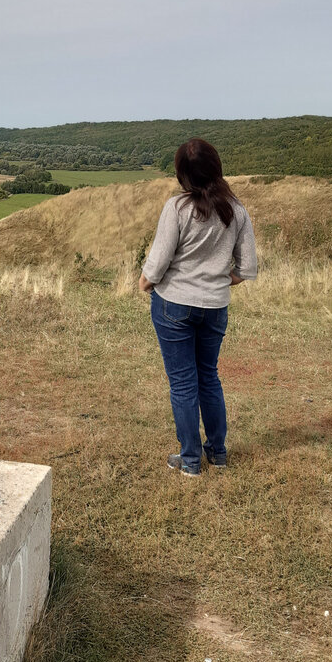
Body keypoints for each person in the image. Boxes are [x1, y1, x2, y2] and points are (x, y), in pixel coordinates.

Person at [138, 139, 257, 477]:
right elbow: (247, 267)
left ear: (183, 175)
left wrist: (145, 282)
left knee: (183, 383)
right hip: (215, 305)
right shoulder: (236, 210)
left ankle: (190, 460)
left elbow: (159, 260)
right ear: (216, 168)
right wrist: (222, 280)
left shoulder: (177, 208)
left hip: (174, 303)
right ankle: (217, 453)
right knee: (209, 377)